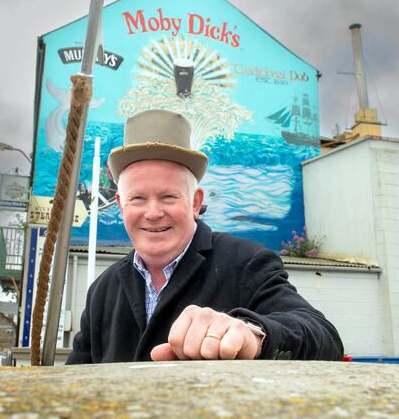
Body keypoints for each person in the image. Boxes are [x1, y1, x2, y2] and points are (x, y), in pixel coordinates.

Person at [66, 110, 343, 364]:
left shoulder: (247, 263)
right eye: (137, 199)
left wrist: (254, 334)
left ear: (195, 203)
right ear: (121, 205)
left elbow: (325, 338)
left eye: (168, 197)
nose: (152, 213)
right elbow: (76, 382)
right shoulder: (102, 290)